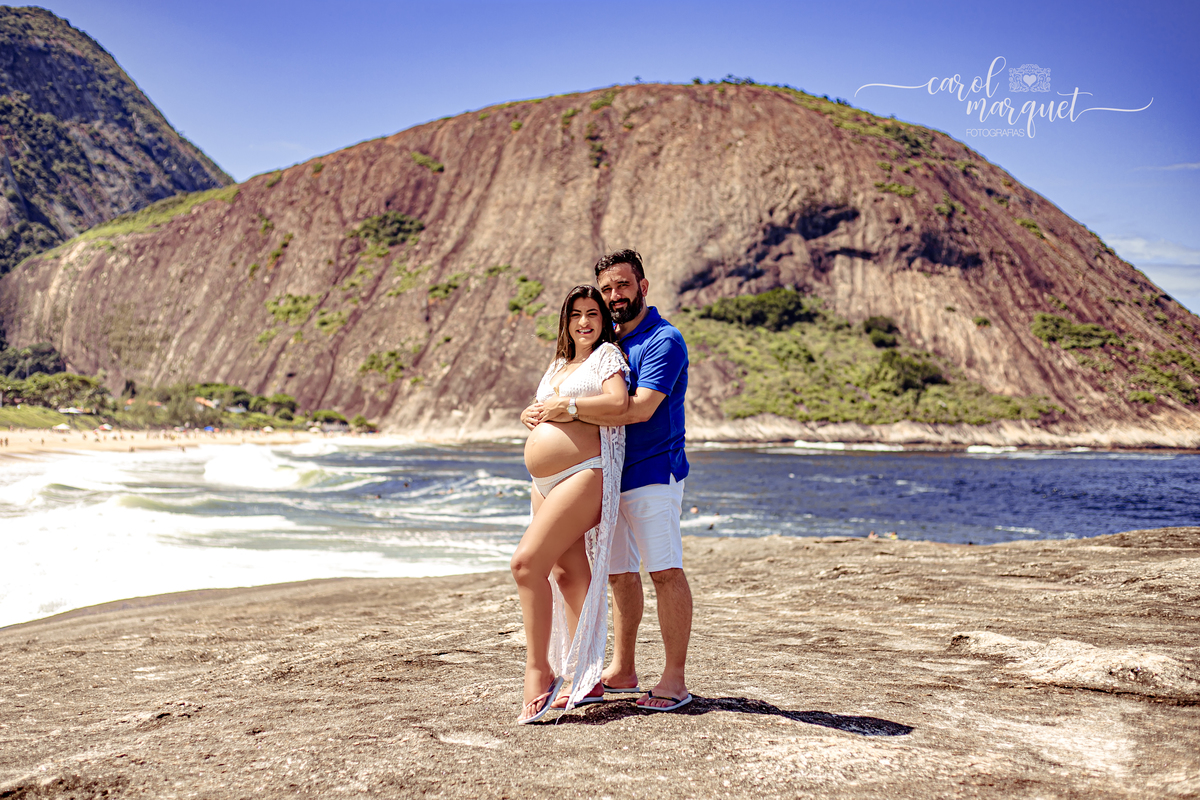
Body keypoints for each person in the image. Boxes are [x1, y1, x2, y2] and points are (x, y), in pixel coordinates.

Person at [527, 249, 693, 712]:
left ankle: (675, 681)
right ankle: (622, 669)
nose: (615, 295)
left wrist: (567, 410)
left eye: (623, 285)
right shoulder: (608, 343)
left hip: (653, 471)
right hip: (609, 476)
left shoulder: (663, 339)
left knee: (664, 571)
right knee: (618, 574)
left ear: (643, 286)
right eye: (607, 289)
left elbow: (637, 409)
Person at [512, 285, 629, 723]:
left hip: (585, 472)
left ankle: (539, 670)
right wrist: (529, 414)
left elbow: (617, 403)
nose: (584, 321)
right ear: (566, 321)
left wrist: (570, 406)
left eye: (593, 313)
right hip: (545, 481)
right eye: (576, 314)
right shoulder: (558, 365)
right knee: (565, 572)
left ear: (603, 320)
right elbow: (546, 409)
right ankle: (587, 674)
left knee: (526, 564)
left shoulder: (606, 357)